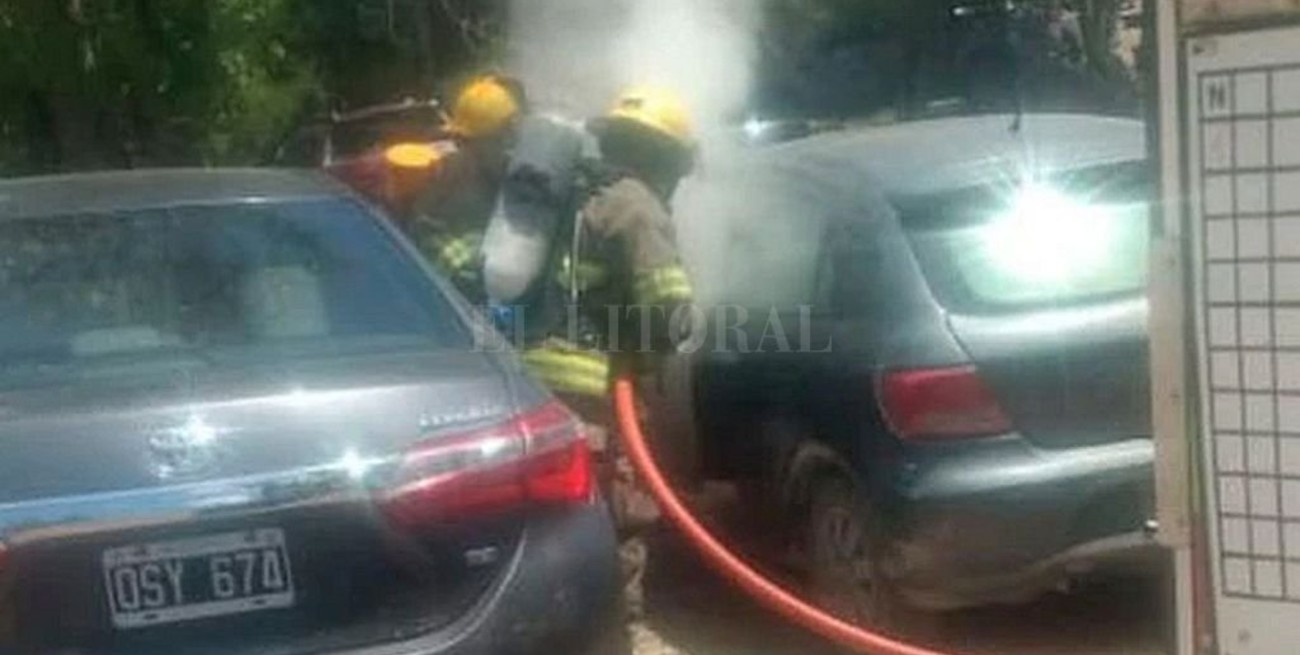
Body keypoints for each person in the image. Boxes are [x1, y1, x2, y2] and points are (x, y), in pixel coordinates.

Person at [519, 86, 697, 650]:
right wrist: (659, 346)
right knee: (622, 509)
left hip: (532, 380)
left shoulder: (574, 195)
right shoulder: (635, 202)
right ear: (666, 159)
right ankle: (624, 632)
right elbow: (668, 308)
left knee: (551, 515)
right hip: (592, 390)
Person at [404, 74, 527, 302]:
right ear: (499, 132)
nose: (512, 143)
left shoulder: (447, 162)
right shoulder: (462, 171)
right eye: (508, 135)